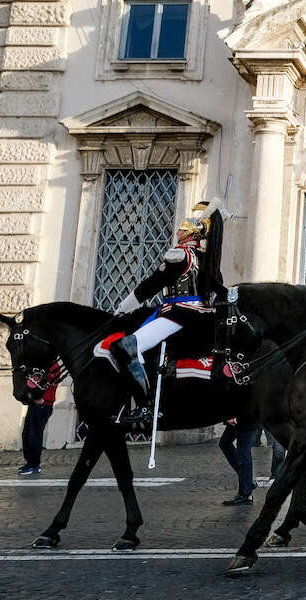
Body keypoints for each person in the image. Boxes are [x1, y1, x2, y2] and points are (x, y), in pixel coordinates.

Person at [110, 200, 225, 425]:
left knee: (127, 346)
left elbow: (151, 285)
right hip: (199, 316)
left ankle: (145, 406)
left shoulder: (179, 255)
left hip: (177, 314)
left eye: (182, 228)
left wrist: (123, 307)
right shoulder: (206, 259)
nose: (178, 231)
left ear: (191, 232)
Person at [18, 362, 62, 475]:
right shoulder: (44, 365)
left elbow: (47, 382)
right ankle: (30, 463)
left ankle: (34, 465)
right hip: (35, 403)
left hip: (44, 403)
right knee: (26, 434)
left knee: (34, 435)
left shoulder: (53, 366)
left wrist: (38, 396)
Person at [219, 417, 258, 505]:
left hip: (244, 420)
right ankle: (248, 482)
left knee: (243, 453)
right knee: (225, 443)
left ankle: (245, 494)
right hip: (238, 420)